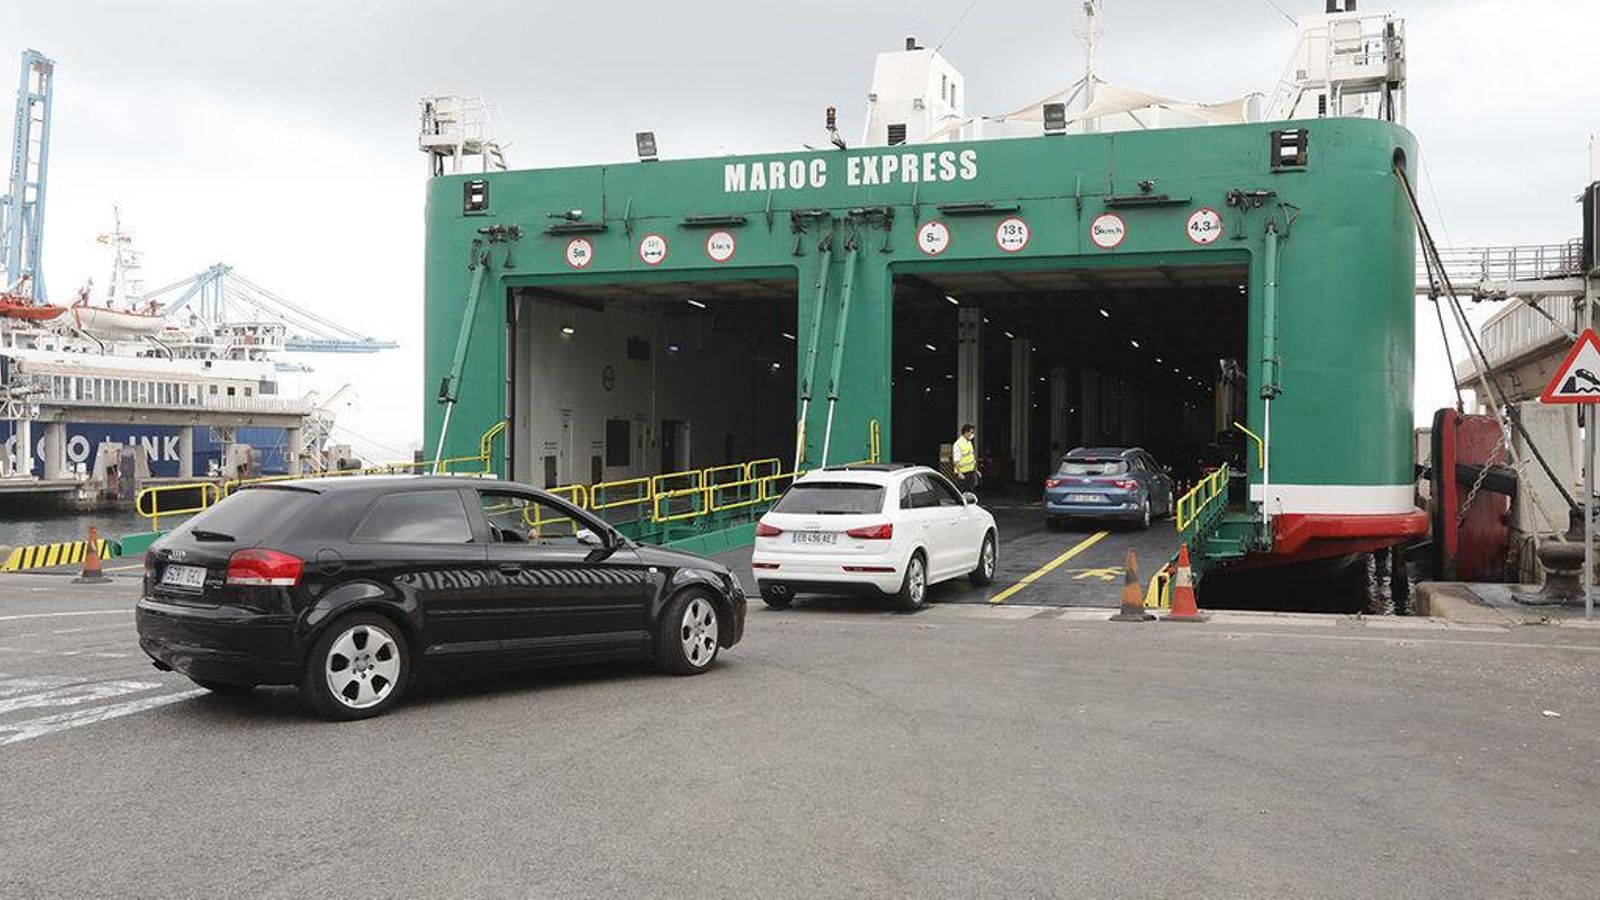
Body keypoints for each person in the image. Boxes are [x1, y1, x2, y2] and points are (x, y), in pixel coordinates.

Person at [953, 423, 979, 493]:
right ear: (966, 432)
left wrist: (976, 470)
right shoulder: (958, 444)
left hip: (971, 472)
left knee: (971, 493)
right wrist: (959, 473)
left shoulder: (969, 442)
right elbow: (956, 460)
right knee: (962, 493)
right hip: (963, 474)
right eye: (971, 432)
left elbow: (971, 458)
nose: (972, 434)